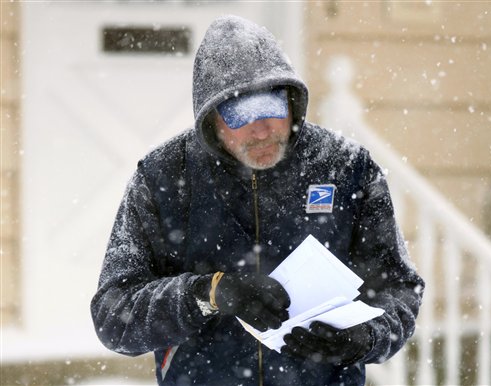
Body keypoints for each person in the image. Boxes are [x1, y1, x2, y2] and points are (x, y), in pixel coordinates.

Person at [91, 15, 424, 386]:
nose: (262, 128)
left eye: (272, 107)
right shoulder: (163, 177)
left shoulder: (346, 168)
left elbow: (399, 288)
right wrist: (208, 293)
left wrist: (365, 337)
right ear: (211, 117)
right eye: (242, 113)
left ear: (292, 101)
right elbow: (113, 315)